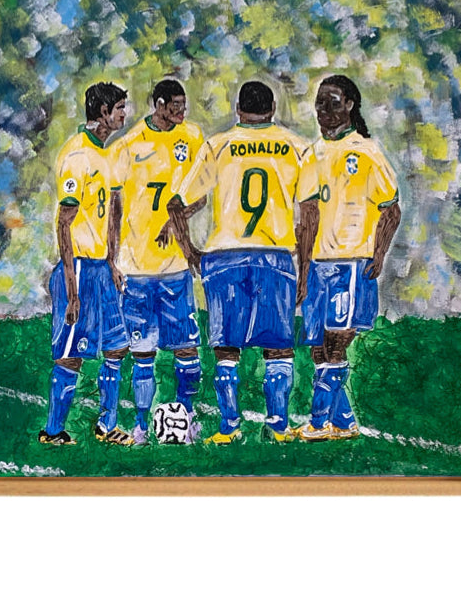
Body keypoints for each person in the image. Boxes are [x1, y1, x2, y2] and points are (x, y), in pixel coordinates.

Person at [168, 81, 318, 444]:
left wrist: (191, 253)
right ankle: (278, 427)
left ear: (238, 109)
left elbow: (176, 204)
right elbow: (310, 214)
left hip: (225, 256)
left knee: (226, 349)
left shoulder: (218, 145)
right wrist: (305, 269)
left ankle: (229, 428)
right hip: (275, 257)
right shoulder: (298, 147)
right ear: (272, 109)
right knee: (278, 347)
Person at [292, 75, 401, 441]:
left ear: (350, 105)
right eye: (320, 103)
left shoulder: (366, 152)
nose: (324, 110)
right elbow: (307, 218)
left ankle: (317, 423)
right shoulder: (312, 154)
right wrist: (303, 271)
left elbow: (391, 209)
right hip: (318, 265)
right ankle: (344, 423)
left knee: (337, 343)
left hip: (351, 263)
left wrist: (379, 254)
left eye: (333, 102)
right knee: (318, 350)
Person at [111, 80, 206, 444]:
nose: (182, 111)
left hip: (175, 267)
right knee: (143, 353)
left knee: (187, 348)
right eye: (175, 105)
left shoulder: (192, 137)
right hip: (136, 267)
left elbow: (201, 194)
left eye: (184, 104)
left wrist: (175, 218)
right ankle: (140, 424)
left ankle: (188, 416)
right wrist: (113, 259)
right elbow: (115, 209)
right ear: (159, 104)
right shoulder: (129, 145)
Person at [38, 82, 133, 447]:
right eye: (119, 108)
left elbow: (112, 213)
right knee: (71, 356)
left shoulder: (106, 155)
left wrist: (112, 261)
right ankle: (53, 431)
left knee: (116, 347)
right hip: (78, 268)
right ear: (103, 112)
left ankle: (107, 426)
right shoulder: (77, 156)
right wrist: (71, 288)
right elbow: (64, 222)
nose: (124, 114)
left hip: (101, 269)